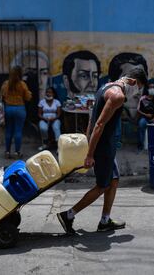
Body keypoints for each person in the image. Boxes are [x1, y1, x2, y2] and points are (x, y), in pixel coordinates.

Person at [57, 67, 148, 234]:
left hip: (106, 144)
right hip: (103, 146)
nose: (137, 92)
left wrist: (87, 140)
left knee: (114, 180)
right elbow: (99, 124)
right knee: (102, 186)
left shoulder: (106, 87)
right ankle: (68, 215)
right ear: (133, 82)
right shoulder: (118, 96)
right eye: (139, 88)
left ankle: (105, 220)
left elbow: (92, 117)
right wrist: (90, 154)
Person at [0, 66, 32, 159]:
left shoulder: (6, 84)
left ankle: (7, 152)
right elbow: (28, 97)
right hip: (19, 108)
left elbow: (2, 95)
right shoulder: (22, 84)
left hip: (8, 108)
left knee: (9, 130)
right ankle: (17, 152)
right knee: (18, 131)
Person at [108, 52, 149, 121]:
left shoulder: (150, 116)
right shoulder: (111, 116)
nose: (137, 86)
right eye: (129, 80)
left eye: (140, 80)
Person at [137, 83, 154, 151]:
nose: (152, 89)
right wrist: (145, 115)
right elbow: (138, 110)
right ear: (148, 89)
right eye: (151, 87)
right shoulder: (142, 99)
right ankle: (141, 145)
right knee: (141, 124)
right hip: (145, 118)